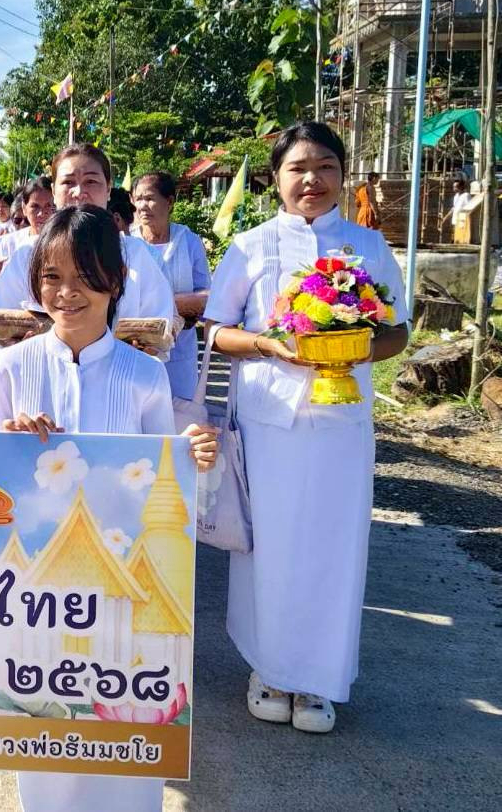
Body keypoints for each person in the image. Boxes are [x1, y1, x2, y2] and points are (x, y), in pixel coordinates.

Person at [0, 204, 218, 812]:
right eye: (52, 277)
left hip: (123, 591)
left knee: (121, 726)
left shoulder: (144, 375)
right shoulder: (13, 365)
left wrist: (194, 457)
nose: (67, 292)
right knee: (44, 726)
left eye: (85, 275)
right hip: (34, 591)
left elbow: (172, 489)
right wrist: (7, 440)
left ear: (115, 281)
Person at [205, 122, 409, 734]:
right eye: (297, 168)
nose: (311, 180)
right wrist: (269, 345)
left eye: (324, 166)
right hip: (271, 423)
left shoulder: (369, 247)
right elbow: (215, 329)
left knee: (334, 544)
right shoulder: (249, 246)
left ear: (342, 175)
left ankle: (319, 680)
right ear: (275, 179)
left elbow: (397, 331)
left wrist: (353, 350)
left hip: (341, 423)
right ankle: (269, 669)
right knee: (270, 545)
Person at [49, 144, 177, 344]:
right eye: (68, 182)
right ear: (53, 190)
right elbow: (6, 327)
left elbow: (161, 327)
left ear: (108, 189)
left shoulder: (138, 255)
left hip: (125, 371)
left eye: (91, 181)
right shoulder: (28, 254)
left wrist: (139, 349)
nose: (79, 192)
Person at [132, 171, 211, 400]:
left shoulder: (189, 241)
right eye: (138, 199)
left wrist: (176, 309)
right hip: (137, 346)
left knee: (180, 412)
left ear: (169, 201)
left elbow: (204, 293)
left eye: (149, 198)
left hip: (181, 346)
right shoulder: (128, 242)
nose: (143, 206)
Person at [0, 176, 55, 311]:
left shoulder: (63, 242)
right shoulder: (9, 243)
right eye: (35, 207)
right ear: (24, 207)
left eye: (48, 207)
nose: (42, 214)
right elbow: (2, 294)